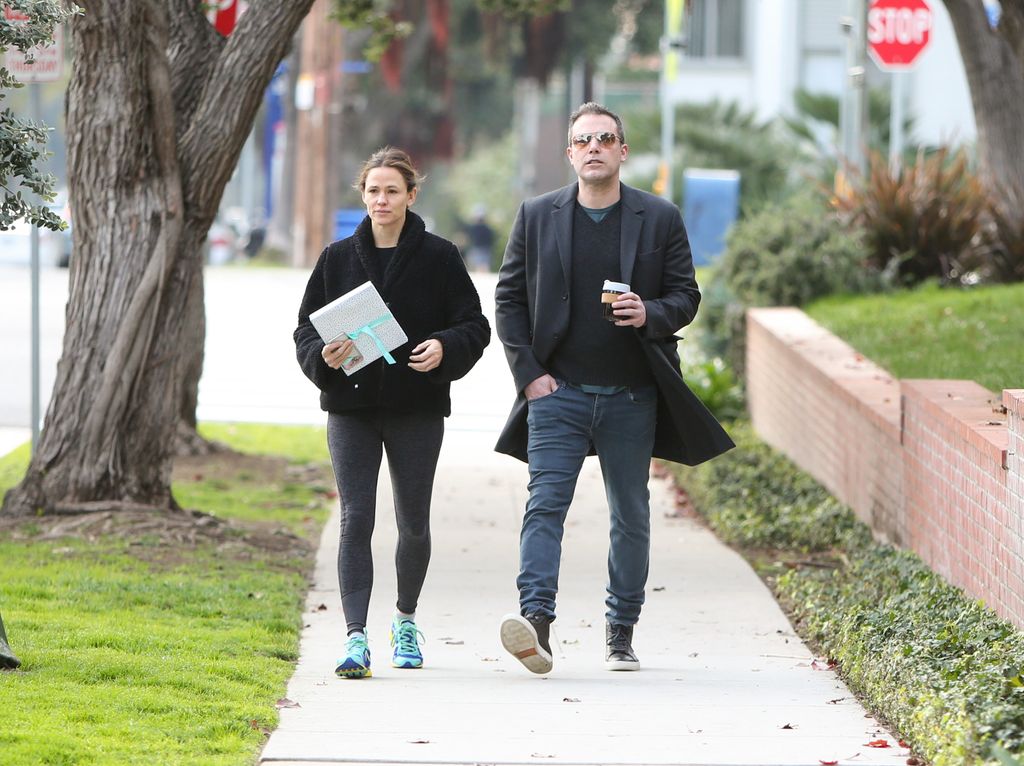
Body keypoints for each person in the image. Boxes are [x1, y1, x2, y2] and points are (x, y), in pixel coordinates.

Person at [494, 102, 734, 674]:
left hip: (633, 395)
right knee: (544, 506)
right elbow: (509, 300)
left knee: (630, 513)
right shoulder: (537, 215)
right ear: (571, 153)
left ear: (622, 151)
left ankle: (621, 630)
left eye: (606, 138)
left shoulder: (659, 217)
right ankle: (537, 625)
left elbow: (686, 297)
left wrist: (647, 311)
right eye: (584, 140)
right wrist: (531, 378)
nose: (595, 147)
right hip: (559, 394)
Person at [294, 147, 490, 679]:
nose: (382, 200)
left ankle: (405, 621)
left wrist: (445, 347)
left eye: (392, 191)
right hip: (351, 408)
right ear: (362, 194)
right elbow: (305, 329)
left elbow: (475, 325)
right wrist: (322, 357)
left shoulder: (440, 256)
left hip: (416, 408)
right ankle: (355, 637)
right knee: (356, 518)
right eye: (373, 190)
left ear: (411, 195)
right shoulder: (336, 257)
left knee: (413, 521)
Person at [463, 204, 495, 273]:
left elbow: (468, 239)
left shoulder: (472, 228)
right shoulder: (488, 229)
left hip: (477, 250)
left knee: (478, 270)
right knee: (484, 269)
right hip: (485, 250)